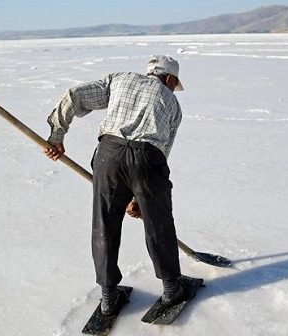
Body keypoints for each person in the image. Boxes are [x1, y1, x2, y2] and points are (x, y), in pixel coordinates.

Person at [43, 55, 195, 316]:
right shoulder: (172, 103)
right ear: (169, 79)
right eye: (174, 83)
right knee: (158, 222)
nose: (172, 88)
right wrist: (140, 199)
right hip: (148, 158)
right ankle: (172, 289)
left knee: (104, 224)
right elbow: (162, 151)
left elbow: (74, 96)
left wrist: (57, 135)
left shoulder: (120, 80)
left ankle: (108, 297)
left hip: (108, 155)